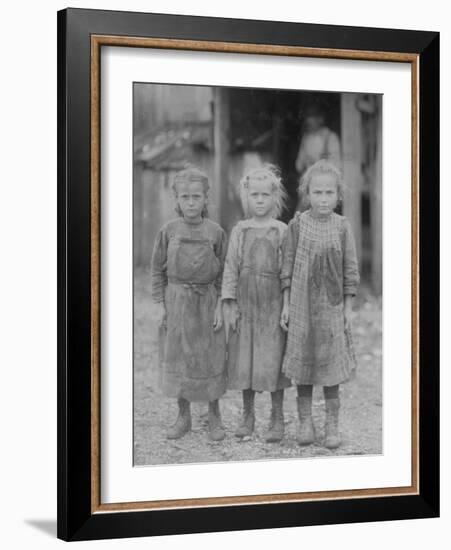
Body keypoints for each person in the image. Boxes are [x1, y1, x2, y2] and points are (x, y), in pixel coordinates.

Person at [280, 159, 359, 449]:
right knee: (303, 362)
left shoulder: (342, 226)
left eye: (329, 193)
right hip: (301, 307)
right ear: (307, 193)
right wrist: (287, 304)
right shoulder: (298, 225)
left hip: (331, 308)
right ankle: (304, 422)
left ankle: (331, 424)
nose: (323, 199)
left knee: (329, 366)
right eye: (317, 193)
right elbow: (286, 266)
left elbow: (350, 271)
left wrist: (348, 310)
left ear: (338, 196)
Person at [151, 167, 228, 442]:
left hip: (207, 302)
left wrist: (220, 305)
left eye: (197, 196)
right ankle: (183, 417)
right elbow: (157, 272)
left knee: (209, 357)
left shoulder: (216, 232)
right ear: (177, 199)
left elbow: (224, 274)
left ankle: (214, 416)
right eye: (186, 197)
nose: (191, 202)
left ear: (206, 198)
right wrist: (161, 305)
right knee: (179, 357)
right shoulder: (168, 231)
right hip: (177, 302)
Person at [222, 165, 291, 443]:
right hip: (246, 303)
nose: (260, 200)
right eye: (255, 195)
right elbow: (230, 267)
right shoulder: (240, 230)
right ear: (246, 197)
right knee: (244, 360)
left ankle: (277, 417)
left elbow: (287, 271)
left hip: (273, 304)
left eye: (265, 195)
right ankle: (247, 415)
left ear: (275, 197)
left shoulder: (282, 231)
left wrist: (286, 305)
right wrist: (230, 303)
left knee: (273, 360)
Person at [295, 105, 341, 211]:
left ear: (320, 119)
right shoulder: (306, 138)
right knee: (300, 217)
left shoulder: (330, 137)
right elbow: (298, 165)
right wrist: (305, 161)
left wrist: (318, 163)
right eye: (307, 118)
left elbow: (337, 165)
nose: (308, 121)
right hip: (308, 187)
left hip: (324, 187)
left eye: (311, 118)